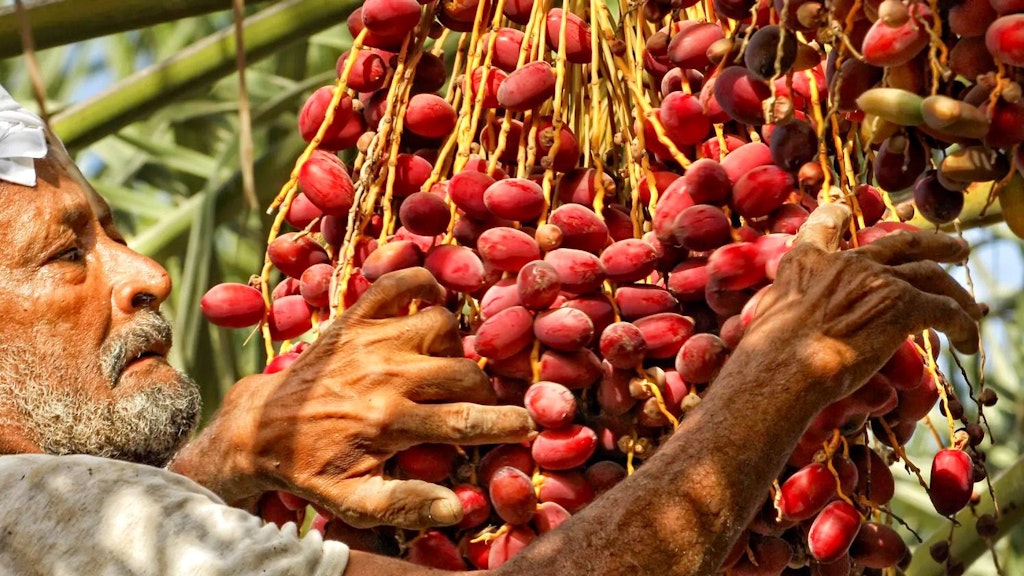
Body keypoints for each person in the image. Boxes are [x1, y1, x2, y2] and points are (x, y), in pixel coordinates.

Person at [0, 84, 984, 575]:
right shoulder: (60, 510)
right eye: (67, 251)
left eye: (120, 231)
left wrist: (231, 454)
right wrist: (786, 370)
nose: (148, 273)